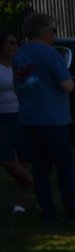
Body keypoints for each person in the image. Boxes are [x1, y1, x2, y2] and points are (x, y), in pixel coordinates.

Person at [13, 13, 75, 223]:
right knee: (64, 167)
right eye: (53, 29)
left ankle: (47, 211)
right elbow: (67, 85)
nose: (55, 34)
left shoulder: (20, 54)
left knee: (40, 169)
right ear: (44, 31)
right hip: (53, 119)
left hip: (29, 118)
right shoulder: (50, 54)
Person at [0, 31, 35, 215]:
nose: (15, 46)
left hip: (21, 113)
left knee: (23, 159)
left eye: (17, 43)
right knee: (7, 160)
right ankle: (40, 192)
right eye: (11, 43)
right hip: (3, 116)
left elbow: (32, 84)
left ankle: (20, 203)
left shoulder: (20, 65)